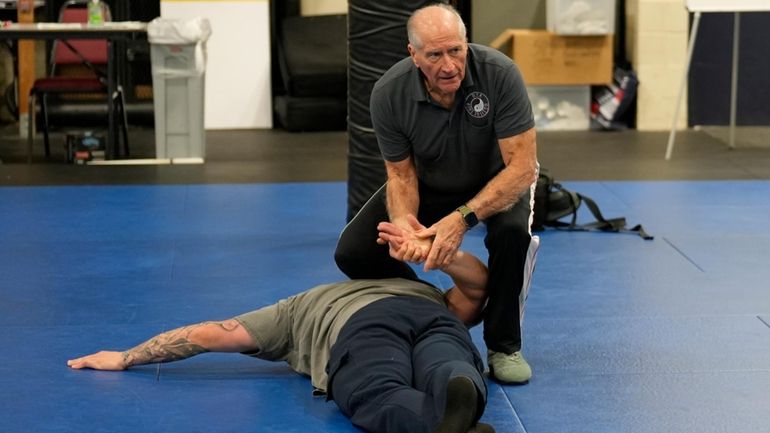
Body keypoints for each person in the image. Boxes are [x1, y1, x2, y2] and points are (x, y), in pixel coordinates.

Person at [68, 240, 495, 433]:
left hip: (361, 325)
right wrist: (443, 254)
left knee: (375, 389)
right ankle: (456, 384)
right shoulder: (425, 289)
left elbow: (210, 335)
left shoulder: (301, 306)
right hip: (433, 316)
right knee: (445, 358)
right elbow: (479, 289)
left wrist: (127, 356)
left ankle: (440, 423)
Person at [335, 3, 540, 384]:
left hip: (498, 179)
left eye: (456, 51)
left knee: (512, 236)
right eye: (435, 55)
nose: (449, 65)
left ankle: (503, 344)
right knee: (353, 252)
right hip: (431, 180)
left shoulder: (499, 74)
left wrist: (462, 219)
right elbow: (400, 175)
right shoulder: (389, 93)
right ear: (413, 54)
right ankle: (432, 308)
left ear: (466, 44)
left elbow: (523, 168)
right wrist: (406, 228)